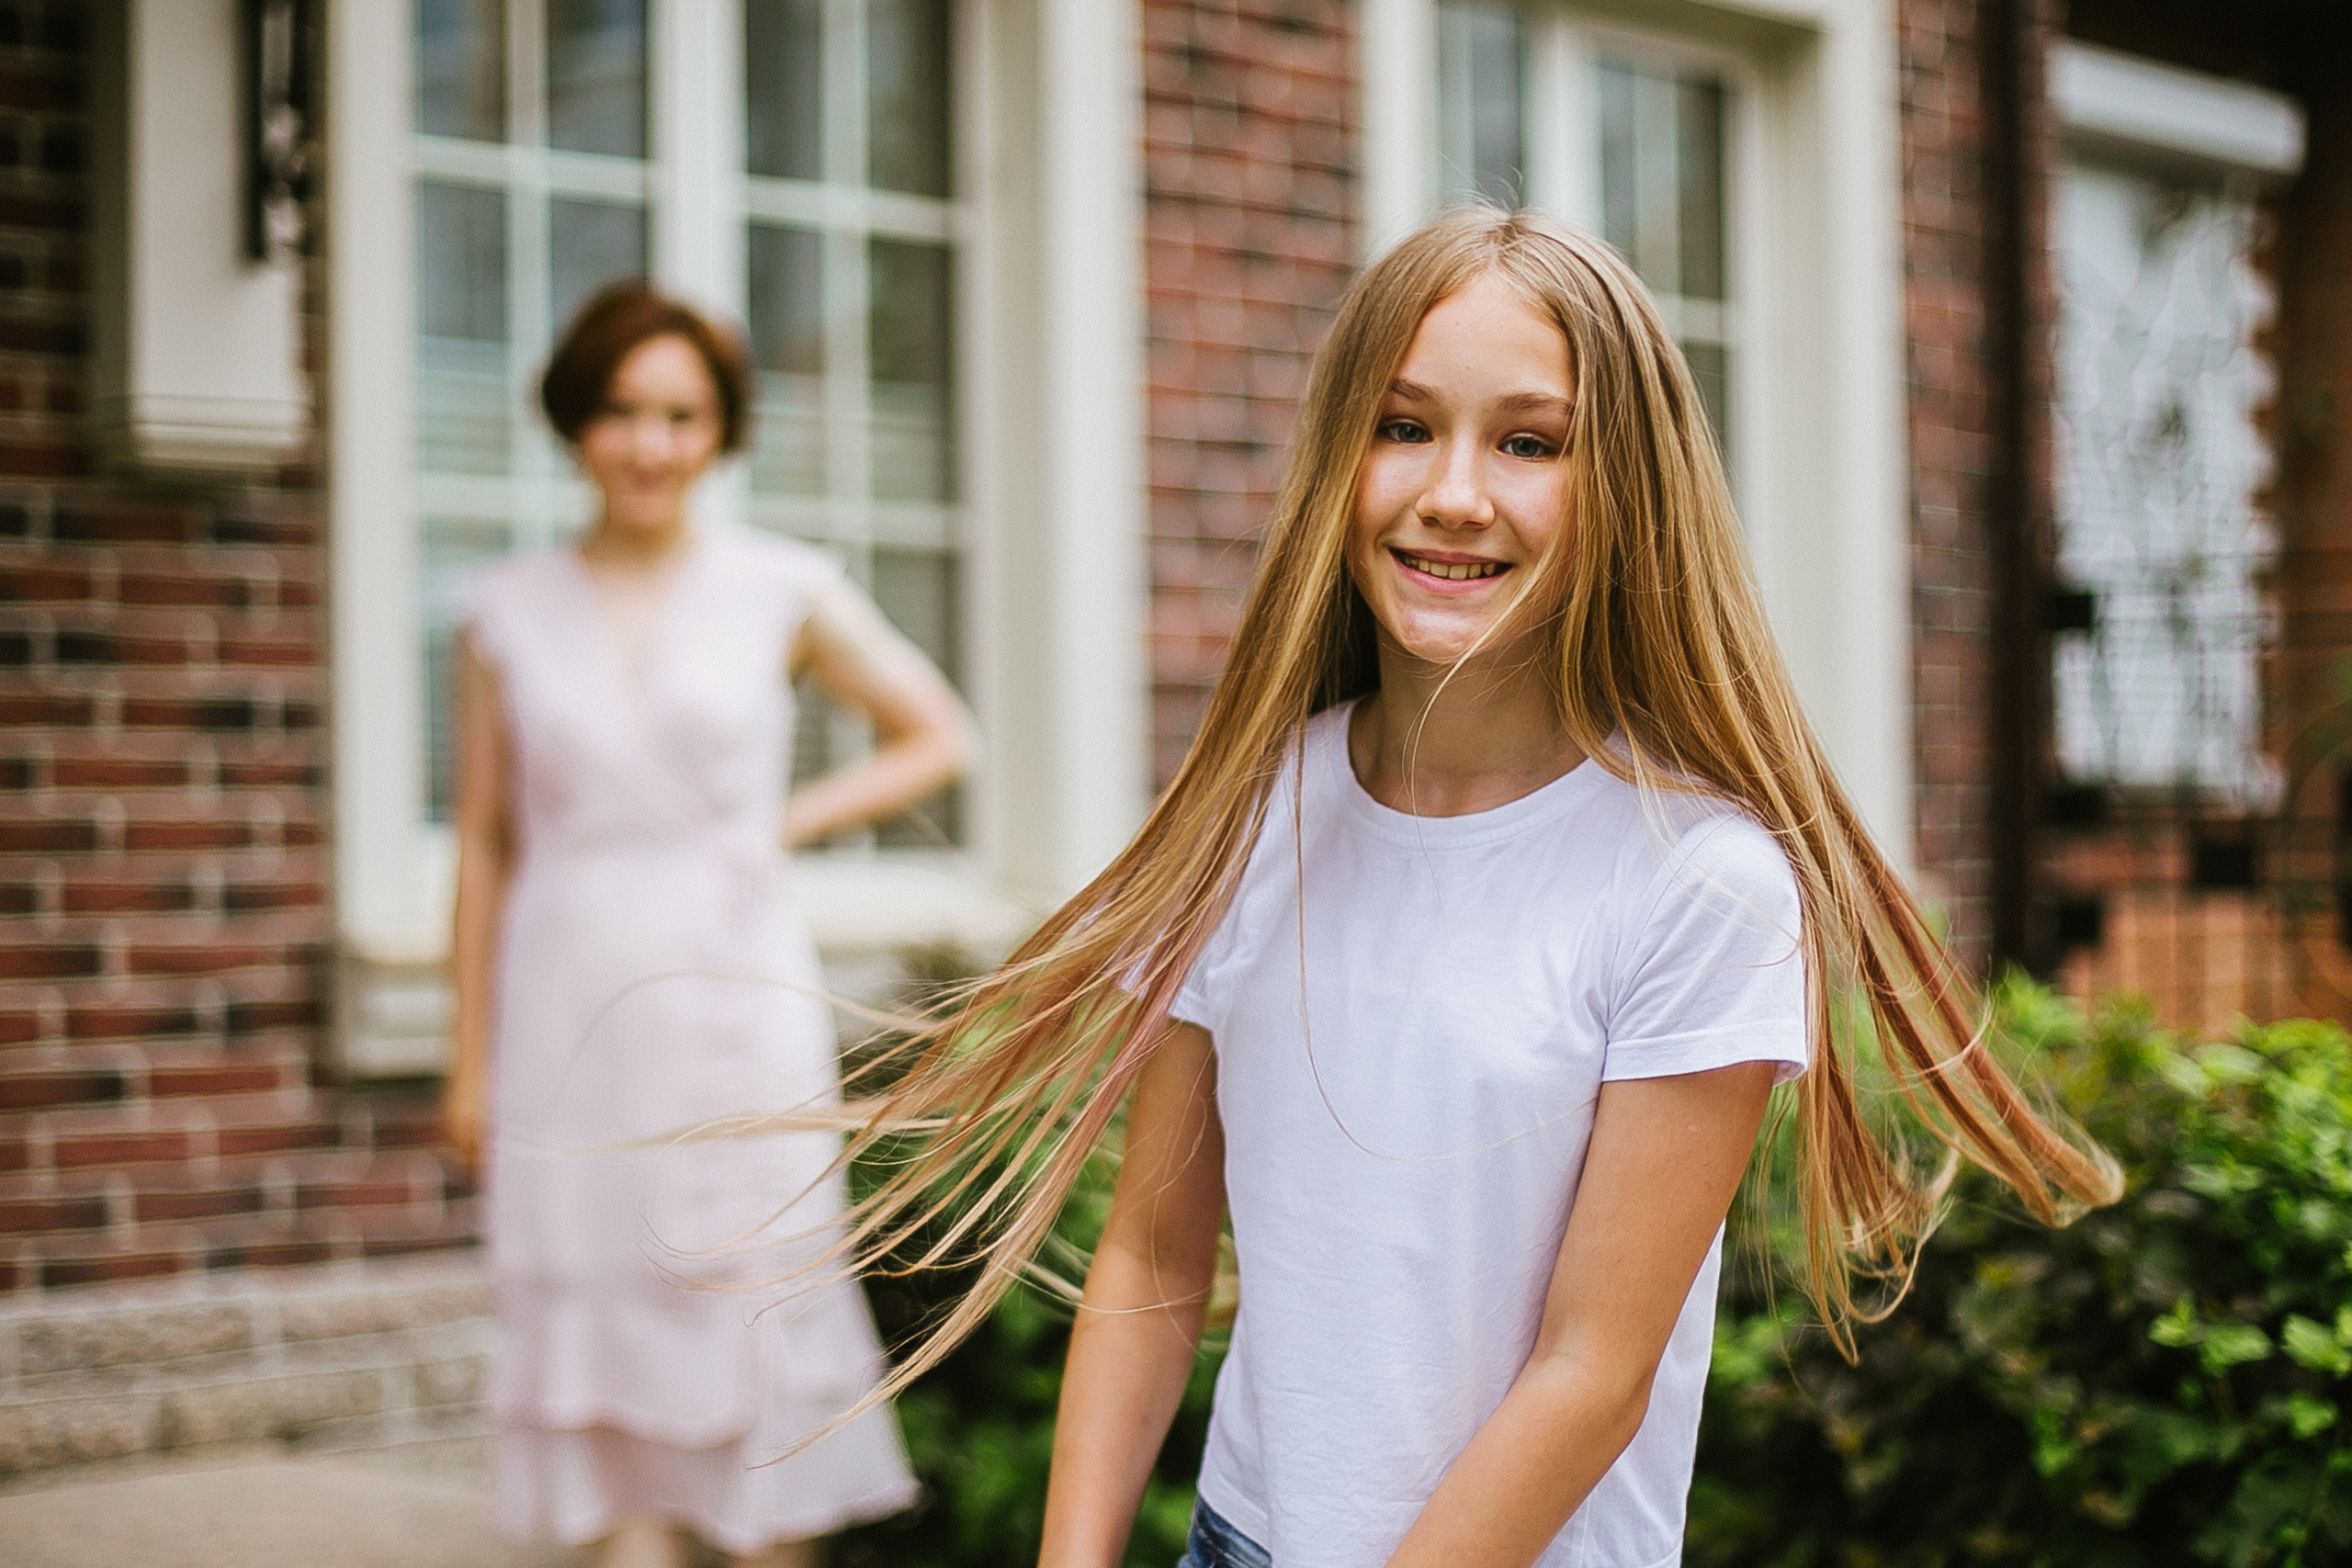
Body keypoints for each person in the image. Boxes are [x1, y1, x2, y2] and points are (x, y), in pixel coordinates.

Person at [815, 209, 2122, 1568]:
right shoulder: (1250, 810)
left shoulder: (1702, 883)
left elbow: (1589, 1372)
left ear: (1628, 487)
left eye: (1529, 442)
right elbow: (1150, 1263)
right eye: (1402, 426)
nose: (1451, 492)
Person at [443, 281, 968, 1568]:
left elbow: (939, 734)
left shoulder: (779, 590)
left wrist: (777, 826)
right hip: (565, 999)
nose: (650, 443)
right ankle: (625, 1527)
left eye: (681, 414)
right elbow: (486, 843)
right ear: (577, 422)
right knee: (600, 1284)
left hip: (730, 989)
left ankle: (760, 1533)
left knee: (742, 1287)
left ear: (720, 432)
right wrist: (468, 1056)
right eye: (623, 411)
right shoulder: (503, 615)